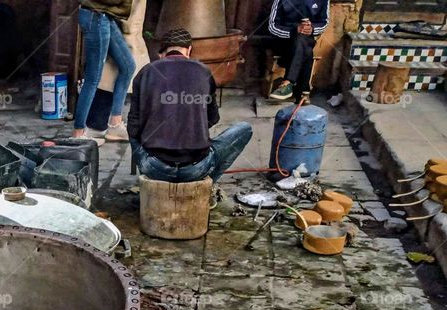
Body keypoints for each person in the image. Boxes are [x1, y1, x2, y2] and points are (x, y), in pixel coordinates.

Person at [127, 28, 252, 183]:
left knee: (134, 133)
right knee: (244, 128)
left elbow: (133, 126)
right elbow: (213, 118)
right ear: (189, 50)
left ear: (162, 53)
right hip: (196, 168)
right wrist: (192, 125)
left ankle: (145, 176)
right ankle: (208, 186)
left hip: (154, 167)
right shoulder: (204, 71)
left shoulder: (146, 72)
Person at [72, 1, 136, 144]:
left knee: (128, 66)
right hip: (96, 17)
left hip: (104, 16)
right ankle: (78, 134)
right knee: (93, 78)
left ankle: (115, 124)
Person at [268, 0, 329, 102]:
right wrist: (294, 31)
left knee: (302, 41)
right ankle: (303, 92)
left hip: (306, 40)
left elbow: (324, 23)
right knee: (306, 49)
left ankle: (288, 83)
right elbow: (272, 26)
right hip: (284, 42)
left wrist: (312, 29)